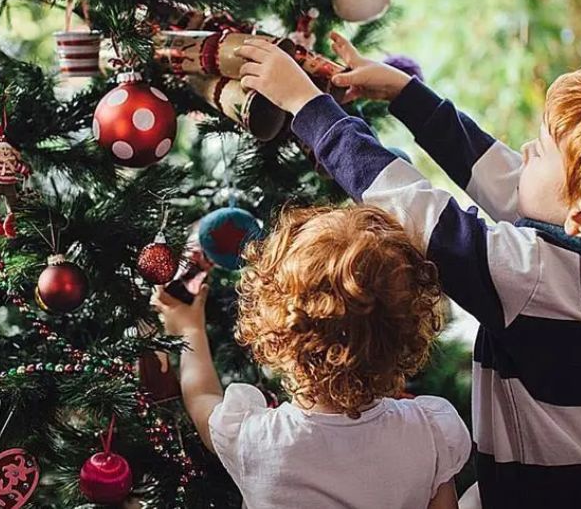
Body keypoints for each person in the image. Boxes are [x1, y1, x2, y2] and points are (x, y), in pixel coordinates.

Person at [233, 33, 581, 509]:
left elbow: (413, 206)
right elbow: (505, 178)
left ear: (580, 218)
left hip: (558, 495)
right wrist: (407, 95)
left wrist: (309, 107)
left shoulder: (533, 278)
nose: (526, 152)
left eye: (542, 150)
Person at [153, 205, 471, 509]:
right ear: (407, 333)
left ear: (277, 334)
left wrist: (189, 328)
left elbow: (202, 396)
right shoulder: (430, 433)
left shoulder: (257, 440)